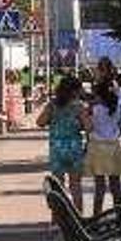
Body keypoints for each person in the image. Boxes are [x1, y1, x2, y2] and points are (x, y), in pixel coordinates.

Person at [37, 75, 88, 213]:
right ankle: (79, 218)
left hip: (57, 149)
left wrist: (53, 121)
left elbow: (40, 122)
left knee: (58, 187)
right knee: (75, 186)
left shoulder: (52, 105)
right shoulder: (79, 106)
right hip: (74, 148)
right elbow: (89, 127)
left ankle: (57, 220)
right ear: (75, 91)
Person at [85, 80, 121, 215]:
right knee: (115, 185)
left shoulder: (95, 109)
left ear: (99, 95)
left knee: (100, 186)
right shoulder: (116, 108)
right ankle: (119, 215)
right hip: (114, 147)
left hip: (98, 147)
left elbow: (89, 127)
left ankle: (97, 214)